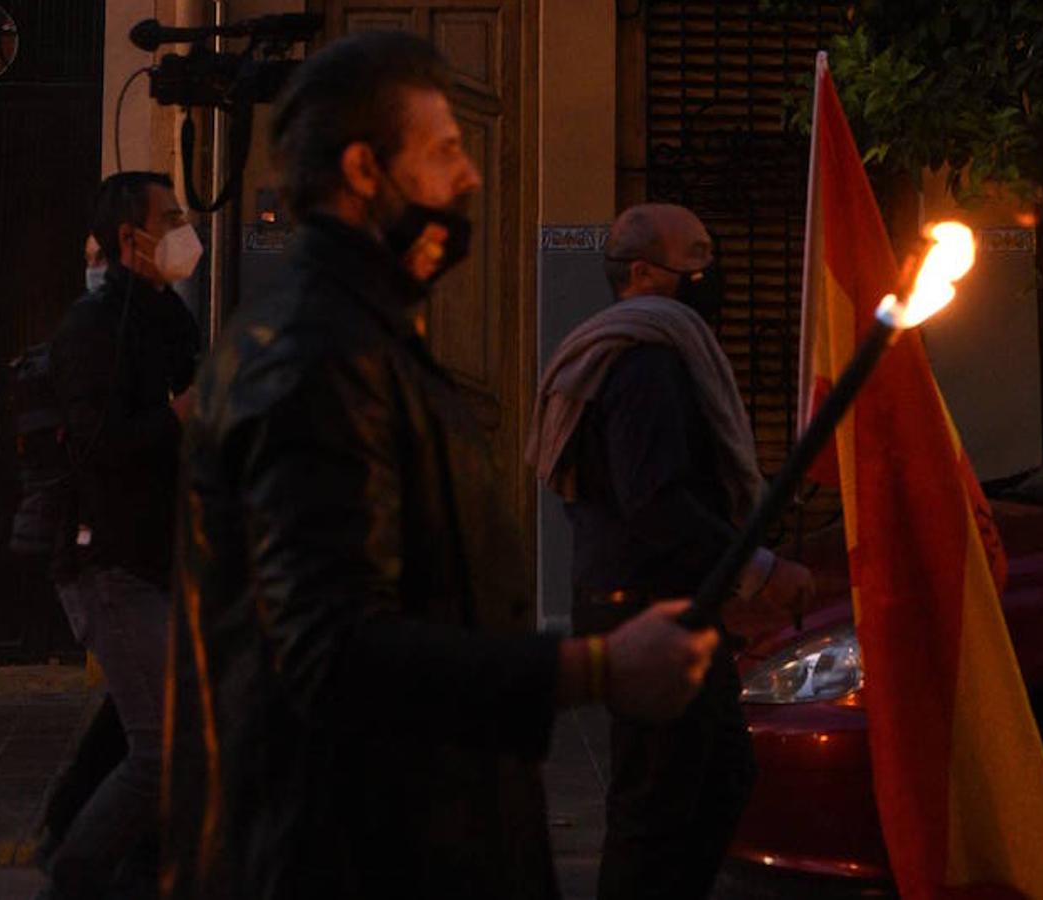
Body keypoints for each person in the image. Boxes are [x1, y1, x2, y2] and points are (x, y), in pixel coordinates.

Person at [161, 31, 720, 900]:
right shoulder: (316, 359)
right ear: (362, 170)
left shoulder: (368, 338)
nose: (470, 178)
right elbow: (330, 654)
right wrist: (595, 669)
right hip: (352, 858)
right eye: (448, 150)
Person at [527, 203, 817, 900]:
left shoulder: (636, 349)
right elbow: (654, 500)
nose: (707, 275)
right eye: (694, 259)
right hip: (647, 610)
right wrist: (759, 571)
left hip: (652, 601)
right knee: (659, 805)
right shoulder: (644, 361)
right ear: (642, 272)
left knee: (711, 781)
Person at [38, 172, 202, 899]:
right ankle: (70, 871)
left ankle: (130, 864)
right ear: (131, 237)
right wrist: (182, 416)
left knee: (161, 720)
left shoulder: (169, 319)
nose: (183, 228)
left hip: (163, 556)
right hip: (109, 561)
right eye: (169, 217)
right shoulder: (93, 328)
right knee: (164, 747)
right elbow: (98, 450)